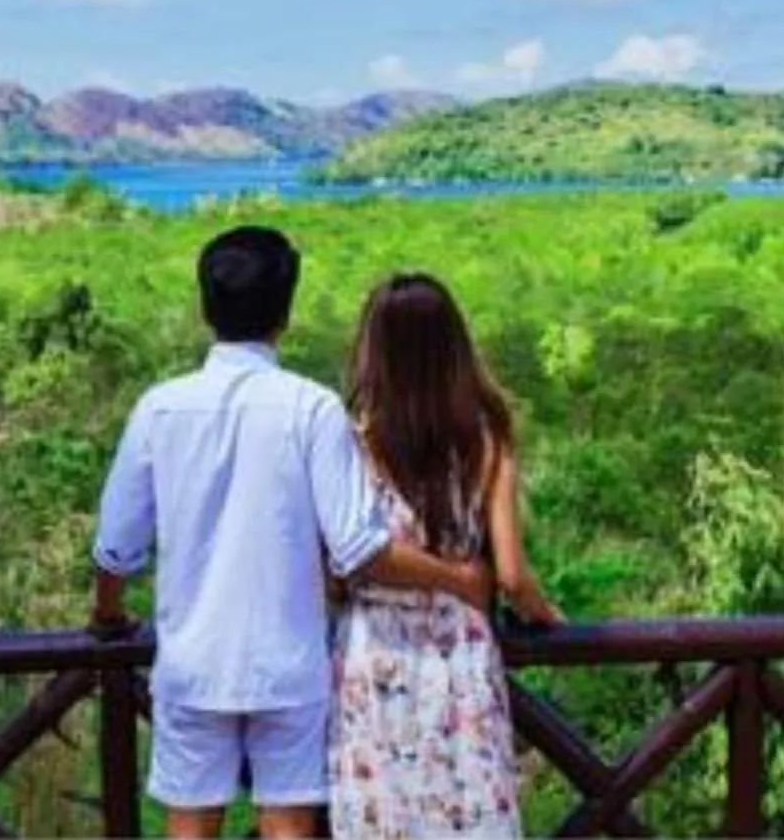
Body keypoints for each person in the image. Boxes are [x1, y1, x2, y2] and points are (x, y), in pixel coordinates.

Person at [89, 227, 492, 840]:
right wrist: (459, 578)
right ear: (285, 312)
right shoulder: (312, 408)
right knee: (289, 826)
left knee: (190, 825)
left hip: (192, 660)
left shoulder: (160, 408)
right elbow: (359, 547)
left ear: (206, 307)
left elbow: (117, 546)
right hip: (289, 662)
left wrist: (109, 615)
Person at [329, 272, 566, 839]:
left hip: (372, 656)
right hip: (459, 655)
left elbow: (336, 562)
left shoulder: (350, 439)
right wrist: (550, 616)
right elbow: (510, 573)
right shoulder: (486, 437)